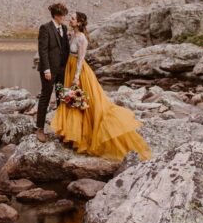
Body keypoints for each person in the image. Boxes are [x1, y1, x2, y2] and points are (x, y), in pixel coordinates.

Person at [51, 10, 151, 161]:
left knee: (83, 103)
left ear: (78, 22)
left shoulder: (82, 38)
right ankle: (72, 135)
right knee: (73, 102)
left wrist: (76, 77)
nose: (70, 20)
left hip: (79, 72)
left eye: (72, 19)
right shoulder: (72, 35)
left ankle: (84, 137)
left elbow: (81, 60)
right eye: (70, 18)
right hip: (69, 70)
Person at [35, 2, 70, 142]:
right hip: (49, 71)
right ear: (56, 15)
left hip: (62, 70)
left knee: (61, 97)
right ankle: (40, 129)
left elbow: (65, 49)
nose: (64, 18)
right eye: (63, 15)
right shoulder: (45, 28)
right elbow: (42, 50)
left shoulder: (64, 28)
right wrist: (46, 69)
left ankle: (61, 129)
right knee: (45, 98)